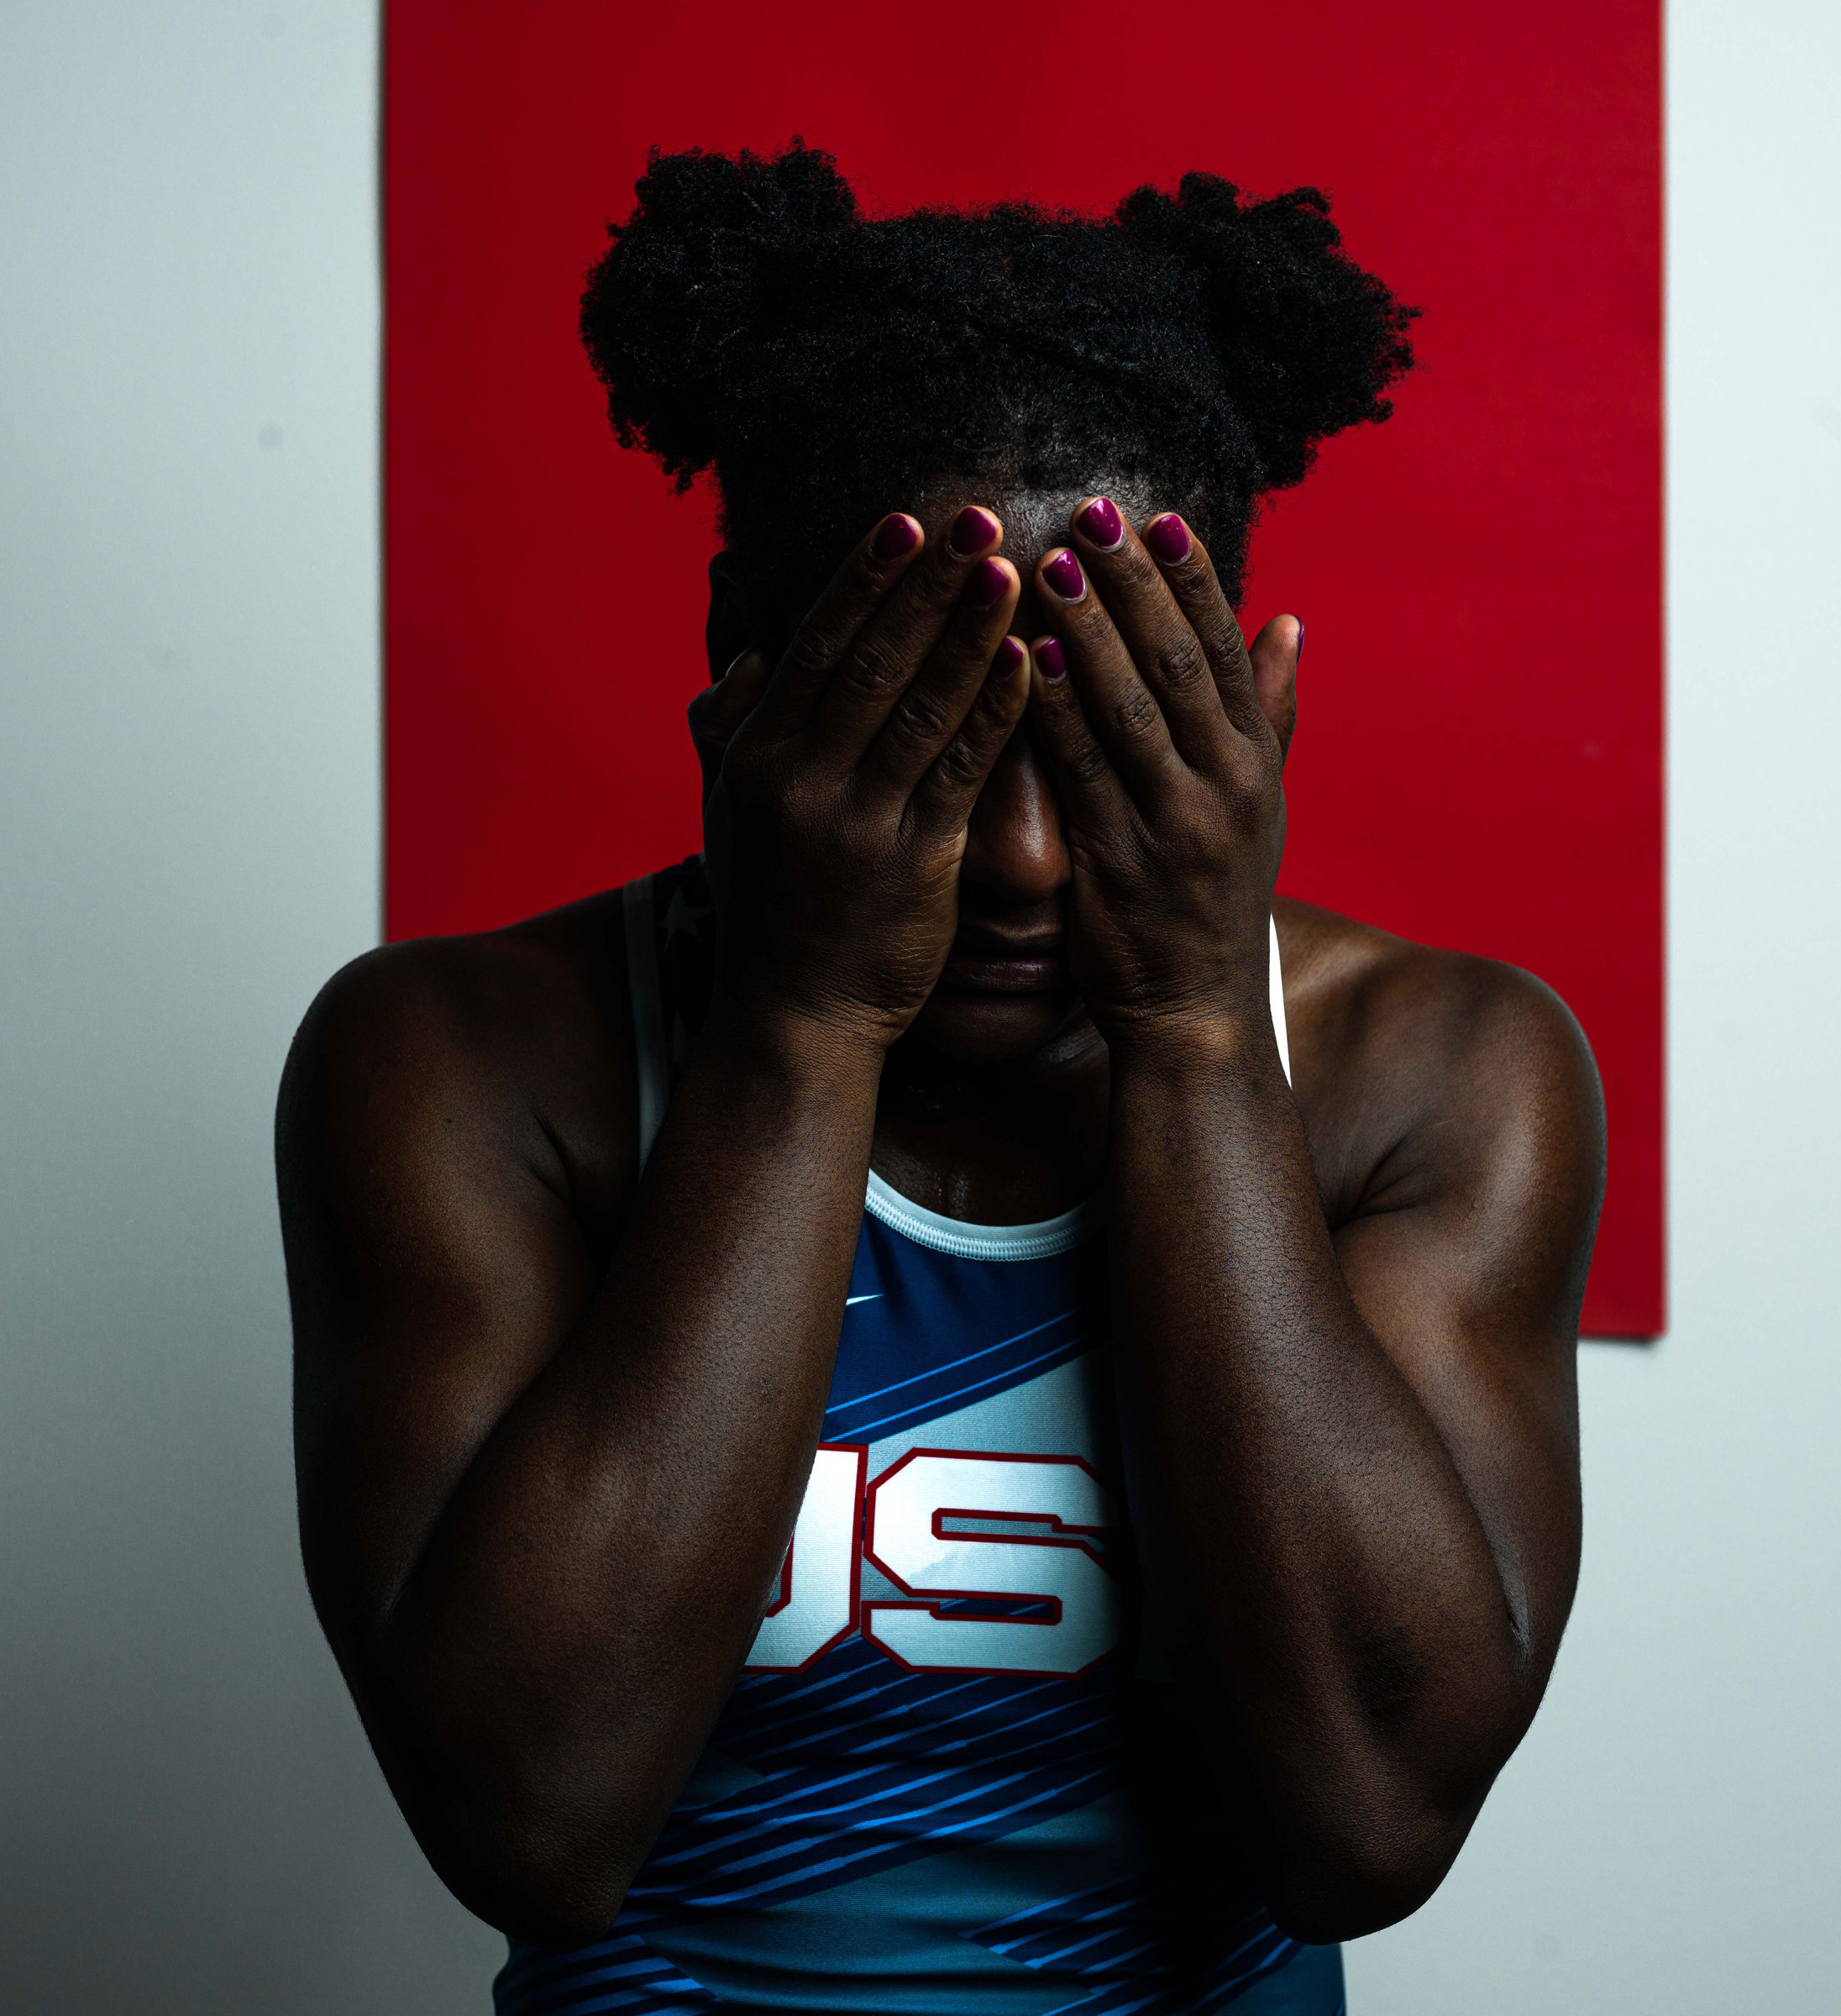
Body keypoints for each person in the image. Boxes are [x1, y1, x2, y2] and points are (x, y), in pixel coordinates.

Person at [277, 144, 1604, 2016]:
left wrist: (1202, 1028)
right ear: (746, 693)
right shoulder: (470, 1066)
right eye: (944, 740)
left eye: (1120, 745)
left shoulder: (1435, 1075)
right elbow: (536, 1827)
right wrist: (804, 1026)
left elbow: (1364, 1831)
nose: (1038, 865)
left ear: (1249, 712)